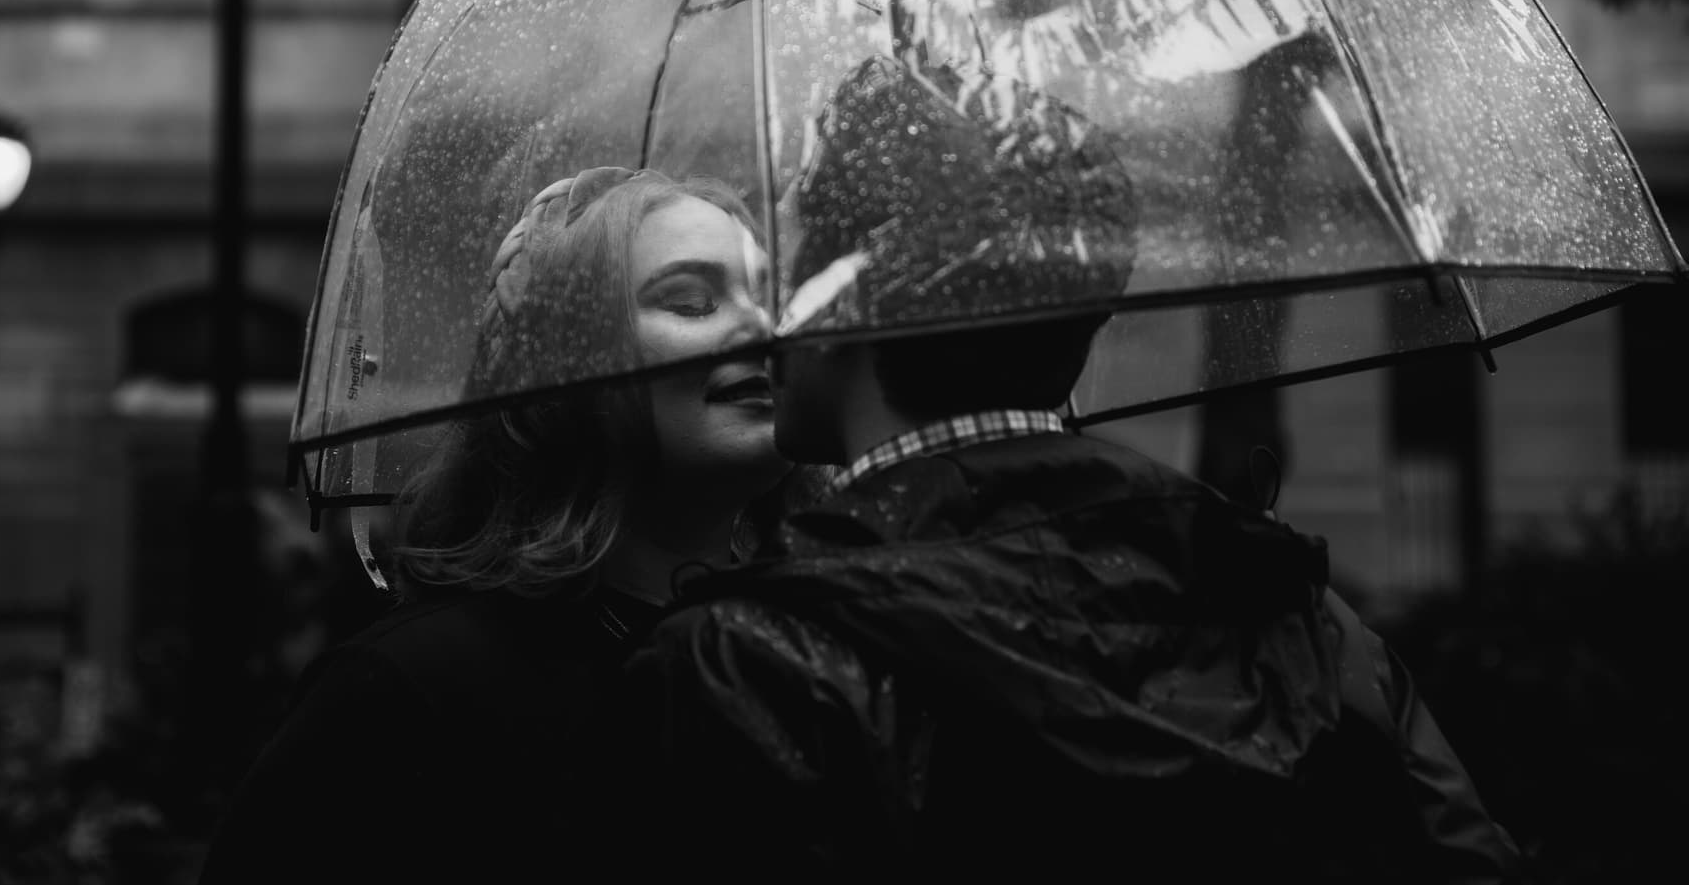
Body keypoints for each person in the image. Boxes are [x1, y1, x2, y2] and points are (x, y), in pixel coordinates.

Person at [619, 57, 1524, 881]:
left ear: (848, 300)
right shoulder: (1299, 616)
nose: (763, 319)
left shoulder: (743, 665)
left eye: (788, 270)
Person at [199, 166, 824, 880]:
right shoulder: (412, 690)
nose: (762, 327)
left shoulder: (824, 655)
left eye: (774, 296)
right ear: (561, 370)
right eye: (690, 301)